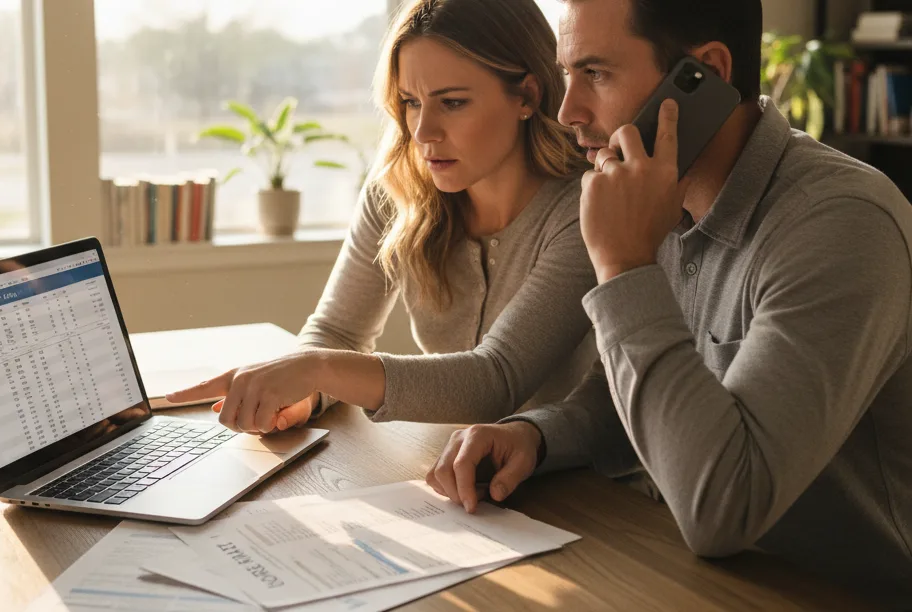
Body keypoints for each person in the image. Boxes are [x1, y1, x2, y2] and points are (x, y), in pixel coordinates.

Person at [426, 0, 912, 605]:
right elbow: (624, 397)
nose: (566, 110)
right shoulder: (660, 190)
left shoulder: (839, 225)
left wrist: (623, 266)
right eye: (566, 73)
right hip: (680, 570)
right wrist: (537, 435)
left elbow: (725, 510)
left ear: (703, 73)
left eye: (596, 74)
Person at [167, 0, 598, 434]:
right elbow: (338, 331)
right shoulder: (399, 187)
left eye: (452, 102)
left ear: (526, 95)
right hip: (454, 469)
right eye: (411, 102)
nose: (423, 132)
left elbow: (496, 380)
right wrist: (306, 395)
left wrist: (315, 367)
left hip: (581, 492)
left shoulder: (586, 207)